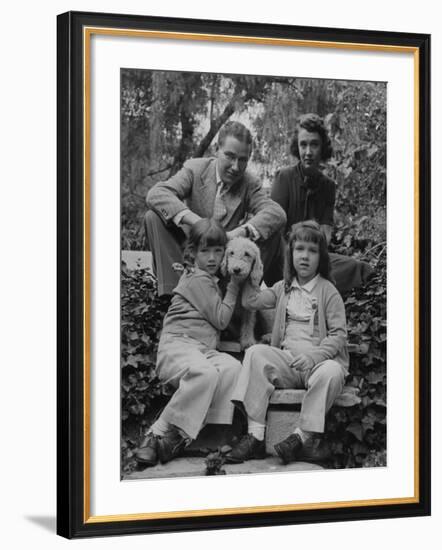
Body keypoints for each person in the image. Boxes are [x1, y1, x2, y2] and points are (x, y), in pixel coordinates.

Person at [226, 221, 349, 464]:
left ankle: (300, 437)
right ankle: (255, 436)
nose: (304, 256)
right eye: (299, 249)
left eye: (312, 251)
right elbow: (252, 301)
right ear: (290, 253)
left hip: (317, 365)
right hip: (288, 364)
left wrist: (315, 357)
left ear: (321, 258)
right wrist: (249, 269)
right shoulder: (283, 288)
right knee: (255, 353)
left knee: (332, 372)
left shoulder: (328, 291)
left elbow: (338, 335)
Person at [135, 219, 244, 467]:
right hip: (178, 346)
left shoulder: (209, 281)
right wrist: (235, 288)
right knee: (205, 373)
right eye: (205, 251)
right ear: (192, 253)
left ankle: (191, 437)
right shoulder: (197, 278)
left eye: (218, 251)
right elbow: (221, 319)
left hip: (201, 349)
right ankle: (157, 433)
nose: (212, 258)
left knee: (233, 369)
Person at [144, 120, 286, 296]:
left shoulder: (250, 183)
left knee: (271, 232)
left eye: (243, 160)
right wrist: (199, 224)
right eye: (230, 156)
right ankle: (174, 294)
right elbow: (156, 194)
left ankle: (249, 294)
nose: (236, 167)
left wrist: (239, 233)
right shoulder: (195, 169)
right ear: (216, 150)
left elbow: (276, 213)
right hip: (192, 253)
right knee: (153, 216)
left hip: (224, 260)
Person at [268, 113, 373, 293]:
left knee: (359, 268)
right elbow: (273, 231)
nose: (308, 152)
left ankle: (312, 286)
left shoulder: (328, 186)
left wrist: (302, 232)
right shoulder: (283, 177)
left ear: (322, 147)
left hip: (313, 258)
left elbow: (324, 236)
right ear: (297, 147)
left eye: (314, 144)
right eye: (303, 144)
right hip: (283, 259)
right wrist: (305, 233)